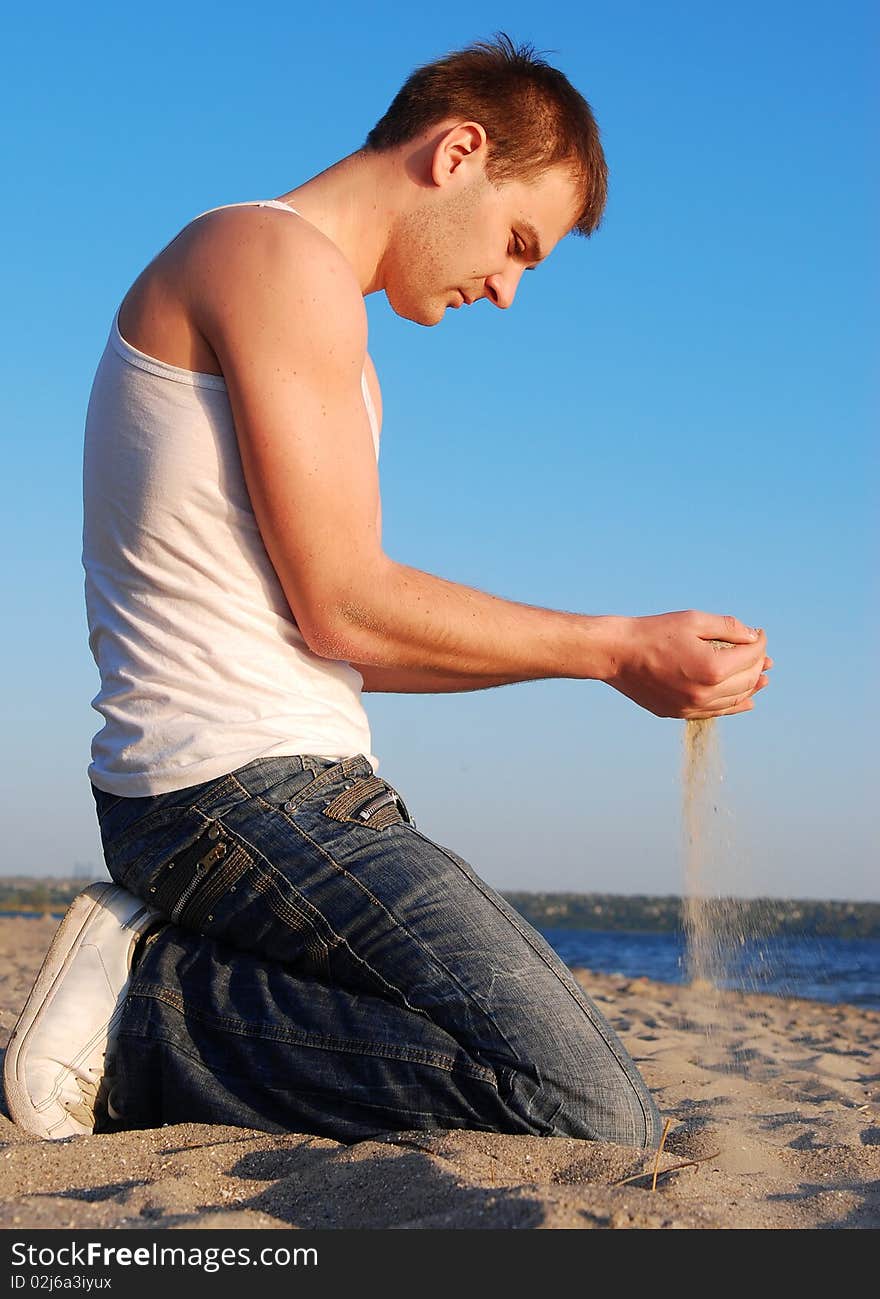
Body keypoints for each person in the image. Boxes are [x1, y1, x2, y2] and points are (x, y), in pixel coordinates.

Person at [5, 34, 771, 1148]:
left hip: (278, 792)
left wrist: (612, 671)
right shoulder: (268, 256)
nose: (506, 290)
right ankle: (142, 1017)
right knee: (586, 1110)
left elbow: (346, 639)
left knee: (546, 1082)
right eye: (518, 243)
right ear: (457, 150)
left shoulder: (315, 311)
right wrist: (612, 646)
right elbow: (346, 602)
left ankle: (160, 991)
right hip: (236, 795)